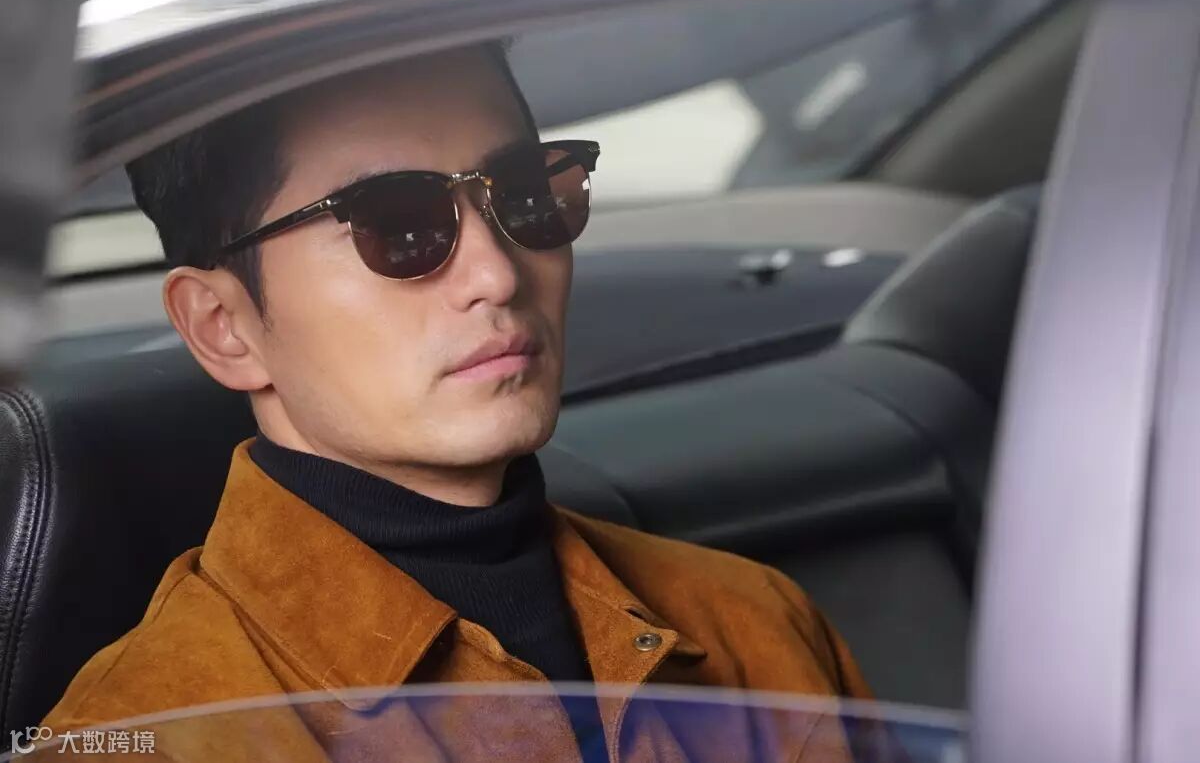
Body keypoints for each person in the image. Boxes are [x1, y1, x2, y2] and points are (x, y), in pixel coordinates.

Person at [38, 43, 880, 762]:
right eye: (397, 223)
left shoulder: (756, 626)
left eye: (524, 193)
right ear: (224, 327)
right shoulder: (146, 737)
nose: (498, 273)